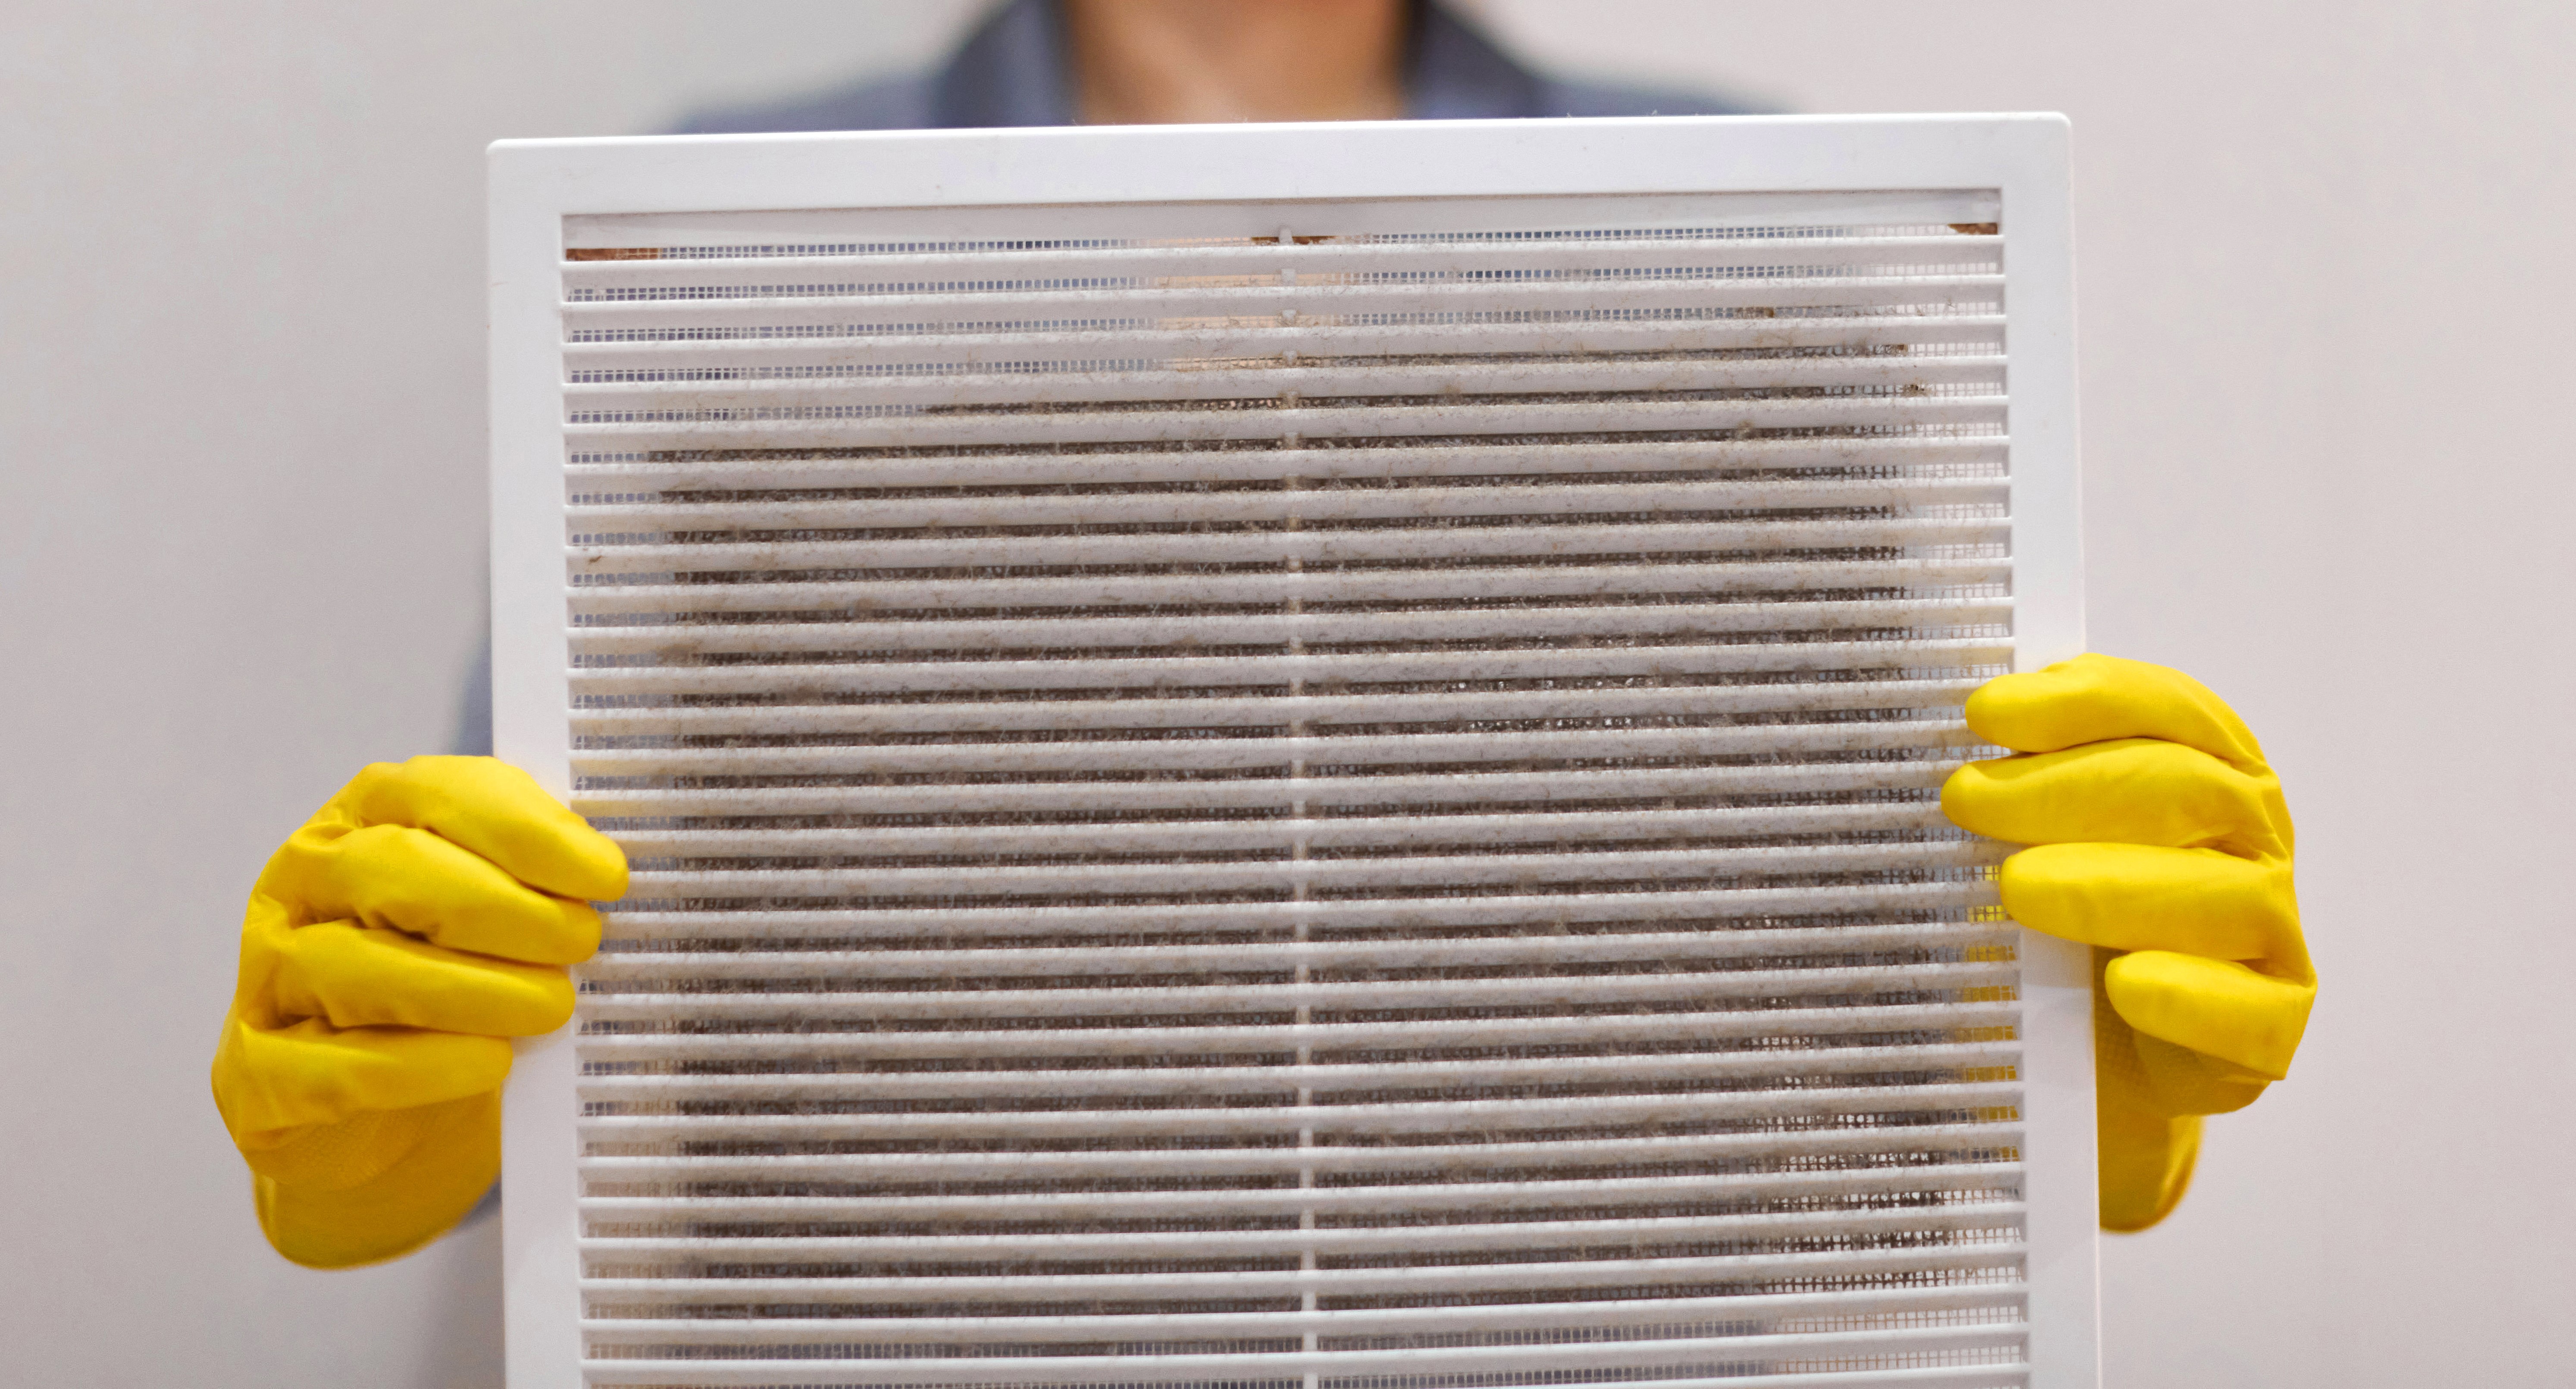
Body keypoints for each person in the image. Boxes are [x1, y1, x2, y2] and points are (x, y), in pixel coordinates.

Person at [210, 0, 2316, 1269]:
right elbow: (564, 949)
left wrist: (2032, 1069)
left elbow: (1825, 1003)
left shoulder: (1738, 214)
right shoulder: (701, 230)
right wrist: (416, 1082)